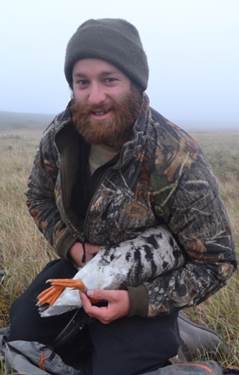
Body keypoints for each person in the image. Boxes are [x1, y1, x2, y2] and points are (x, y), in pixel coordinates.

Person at [6, 18, 236, 375]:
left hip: (142, 287)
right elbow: (37, 197)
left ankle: (181, 337)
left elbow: (217, 261)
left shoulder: (176, 156)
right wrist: (73, 247)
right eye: (82, 82)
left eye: (109, 79)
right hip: (82, 269)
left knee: (112, 367)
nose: (94, 96)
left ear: (135, 83)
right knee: (20, 334)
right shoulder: (61, 134)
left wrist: (136, 302)